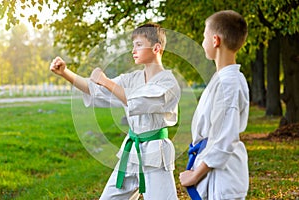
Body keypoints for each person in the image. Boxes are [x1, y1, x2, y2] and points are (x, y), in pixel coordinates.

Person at [50, 23, 180, 200]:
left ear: (156, 48)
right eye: (133, 45)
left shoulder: (168, 83)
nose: (133, 50)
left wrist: (106, 81)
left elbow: (139, 101)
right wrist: (65, 73)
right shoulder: (132, 78)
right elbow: (96, 89)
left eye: (139, 45)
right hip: (131, 150)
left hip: (156, 154)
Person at [179, 10, 249, 200]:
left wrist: (195, 175)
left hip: (223, 180)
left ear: (215, 40)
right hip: (216, 175)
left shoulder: (228, 84)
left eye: (204, 36)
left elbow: (224, 140)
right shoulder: (223, 79)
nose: (202, 43)